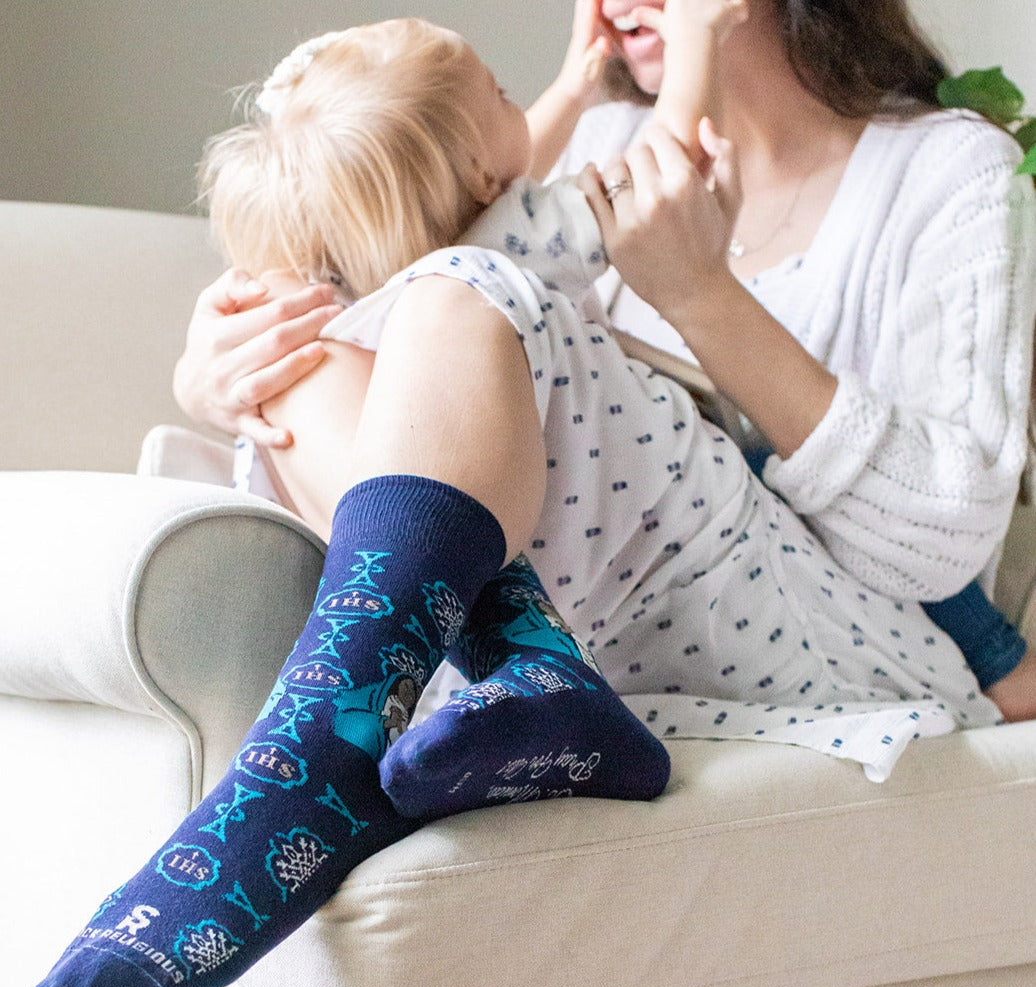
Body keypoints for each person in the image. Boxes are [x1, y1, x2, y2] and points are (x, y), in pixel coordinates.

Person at [30, 4, 746, 987]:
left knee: (374, 329)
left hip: (625, 477)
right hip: (527, 457)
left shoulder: (441, 260)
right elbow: (654, 163)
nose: (529, 104)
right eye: (504, 95)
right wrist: (698, 38)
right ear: (479, 175)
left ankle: (318, 753)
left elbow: (502, 166)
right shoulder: (502, 238)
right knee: (299, 366)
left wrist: (576, 85)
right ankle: (505, 673)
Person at [175, 0, 1036, 723]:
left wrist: (700, 296)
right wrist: (238, 372)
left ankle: (341, 725)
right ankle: (457, 681)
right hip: (581, 616)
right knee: (360, 337)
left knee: (461, 288)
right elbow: (411, 284)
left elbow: (939, 546)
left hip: (812, 628)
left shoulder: (948, 170)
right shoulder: (596, 141)